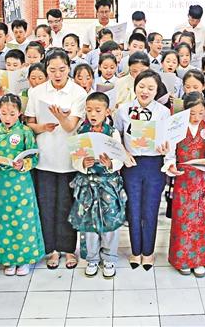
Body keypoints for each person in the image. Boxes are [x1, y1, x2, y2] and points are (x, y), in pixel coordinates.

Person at [24, 49, 87, 270]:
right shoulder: (36, 92)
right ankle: (50, 249)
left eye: (62, 69)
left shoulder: (78, 92)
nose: (57, 74)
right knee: (46, 205)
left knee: (67, 206)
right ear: (46, 69)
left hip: (69, 158)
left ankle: (68, 249)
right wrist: (42, 126)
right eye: (52, 70)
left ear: (69, 68)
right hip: (44, 157)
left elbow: (70, 127)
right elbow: (29, 124)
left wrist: (60, 116)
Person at [113, 70, 172, 269]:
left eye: (150, 88)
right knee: (133, 209)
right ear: (135, 87)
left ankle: (148, 252)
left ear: (157, 91)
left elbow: (168, 139)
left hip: (154, 165)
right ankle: (135, 251)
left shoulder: (163, 112)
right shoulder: (123, 110)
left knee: (150, 209)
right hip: (131, 165)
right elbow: (116, 135)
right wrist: (123, 153)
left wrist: (165, 149)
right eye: (141, 86)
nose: (145, 91)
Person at [69, 92, 127, 279]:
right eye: (89, 110)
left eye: (97, 110)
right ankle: (92, 258)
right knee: (89, 223)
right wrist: (82, 164)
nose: (93, 114)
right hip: (87, 184)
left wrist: (110, 164)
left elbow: (120, 158)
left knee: (110, 222)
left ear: (107, 111)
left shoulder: (112, 133)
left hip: (108, 184)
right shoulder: (81, 131)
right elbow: (74, 158)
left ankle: (109, 258)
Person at [0, 93, 44, 276]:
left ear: (19, 113)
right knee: (4, 219)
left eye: (12, 113)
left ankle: (25, 258)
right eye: (3, 113)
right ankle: (8, 259)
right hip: (2, 181)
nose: (8, 117)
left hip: (22, 180)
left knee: (23, 218)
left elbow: (35, 157)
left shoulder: (26, 131)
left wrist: (24, 164)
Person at [164, 92, 205, 277]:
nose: (196, 117)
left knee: (202, 218)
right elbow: (170, 153)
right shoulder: (177, 128)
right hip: (183, 179)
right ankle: (182, 259)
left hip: (202, 179)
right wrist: (171, 165)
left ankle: (200, 260)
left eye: (200, 113)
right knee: (183, 219)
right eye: (192, 113)